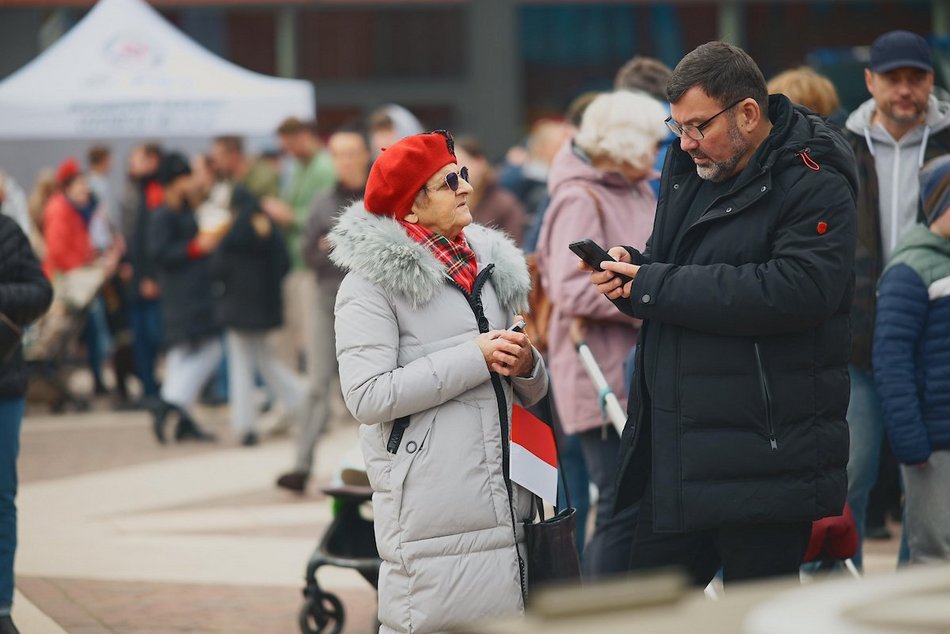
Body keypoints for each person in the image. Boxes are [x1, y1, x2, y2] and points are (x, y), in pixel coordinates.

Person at [584, 41, 856, 585]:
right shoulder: (689, 164)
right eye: (677, 126)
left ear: (748, 113)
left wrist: (655, 284)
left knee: (754, 616)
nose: (685, 141)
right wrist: (633, 273)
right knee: (647, 613)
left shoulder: (814, 176)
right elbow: (677, 267)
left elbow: (799, 290)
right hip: (678, 449)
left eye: (698, 126)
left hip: (766, 457)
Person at [330, 131, 548, 633]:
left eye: (463, 174)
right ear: (411, 204)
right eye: (450, 181)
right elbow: (367, 396)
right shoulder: (368, 285)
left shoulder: (490, 269)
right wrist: (475, 357)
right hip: (432, 505)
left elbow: (530, 389)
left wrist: (527, 364)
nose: (466, 187)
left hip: (509, 496)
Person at [535, 90, 666, 578]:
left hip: (630, 367)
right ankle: (599, 608)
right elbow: (568, 288)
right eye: (650, 142)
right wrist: (646, 299)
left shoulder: (636, 189)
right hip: (597, 372)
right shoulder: (580, 196)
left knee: (633, 504)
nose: (657, 153)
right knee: (618, 503)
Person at [842, 30, 950, 568]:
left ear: (931, 81)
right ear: (870, 81)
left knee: (928, 475)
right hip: (858, 332)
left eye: (916, 78)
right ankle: (842, 586)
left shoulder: (948, 141)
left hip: (933, 328)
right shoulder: (842, 145)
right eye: (893, 79)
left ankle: (914, 586)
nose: (905, 89)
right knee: (852, 471)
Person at [275, 124, 371, 493]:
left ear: (364, 156)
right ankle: (301, 465)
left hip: (368, 302)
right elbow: (309, 252)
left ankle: (373, 464)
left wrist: (335, 244)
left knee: (367, 383)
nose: (345, 161)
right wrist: (342, 246)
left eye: (351, 153)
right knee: (316, 383)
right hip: (326, 297)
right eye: (338, 154)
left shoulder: (378, 199)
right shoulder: (322, 202)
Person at [872, 155, 950, 564]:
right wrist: (910, 440)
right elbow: (892, 360)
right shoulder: (911, 269)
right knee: (933, 553)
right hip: (934, 443)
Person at [211, 185, 305, 447]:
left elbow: (217, 268)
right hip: (264, 308)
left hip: (237, 309)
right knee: (266, 360)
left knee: (241, 365)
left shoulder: (231, 233)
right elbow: (284, 263)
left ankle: (246, 425)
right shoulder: (268, 227)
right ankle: (302, 401)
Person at [0, 213, 53, 634]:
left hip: (3, 382)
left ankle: (1, 606)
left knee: (1, 495)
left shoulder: (5, 231)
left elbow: (40, 291)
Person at [147, 152, 220, 443]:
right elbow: (159, 253)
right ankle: (170, 403)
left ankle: (181, 416)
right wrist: (194, 248)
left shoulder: (186, 210)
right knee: (207, 348)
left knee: (182, 355)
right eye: (185, 177)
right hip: (181, 294)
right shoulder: (163, 214)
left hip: (196, 289)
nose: (190, 182)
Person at [264, 117, 336, 373]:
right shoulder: (296, 168)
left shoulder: (324, 168)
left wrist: (290, 216)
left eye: (290, 144)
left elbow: (328, 215)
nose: (288, 151)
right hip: (295, 262)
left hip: (313, 266)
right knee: (298, 335)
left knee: (315, 338)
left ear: (304, 137)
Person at [454, 135, 527, 245]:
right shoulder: (450, 198)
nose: (456, 170)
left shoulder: (505, 204)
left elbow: (514, 246)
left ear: (479, 161)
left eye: (460, 162)